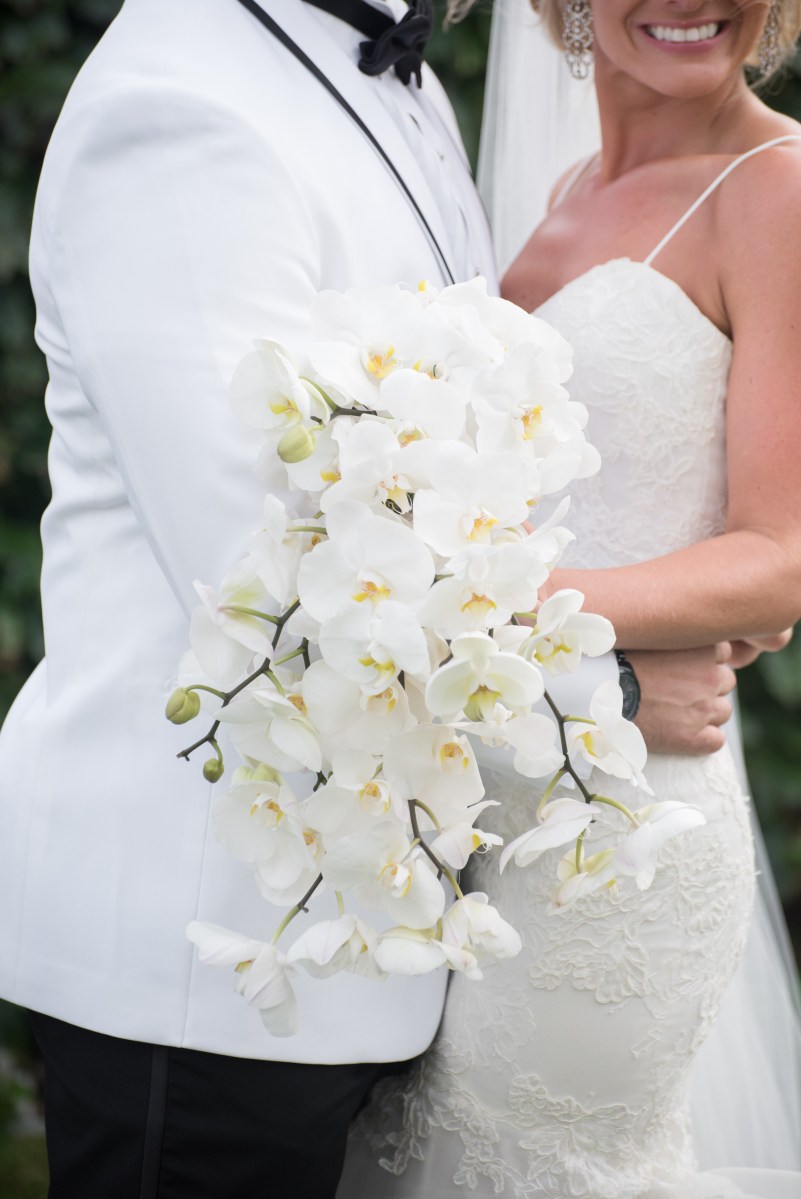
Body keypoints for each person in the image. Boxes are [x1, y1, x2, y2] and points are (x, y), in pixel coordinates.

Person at [0, 0, 767, 1196]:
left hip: (399, 939)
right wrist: (606, 675)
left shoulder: (392, 91)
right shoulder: (182, 106)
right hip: (209, 971)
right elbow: (260, 568)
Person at [336, 0, 801, 1194]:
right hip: (471, 795)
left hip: (624, 830)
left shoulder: (776, 188)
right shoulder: (547, 196)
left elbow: (781, 555)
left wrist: (480, 604)